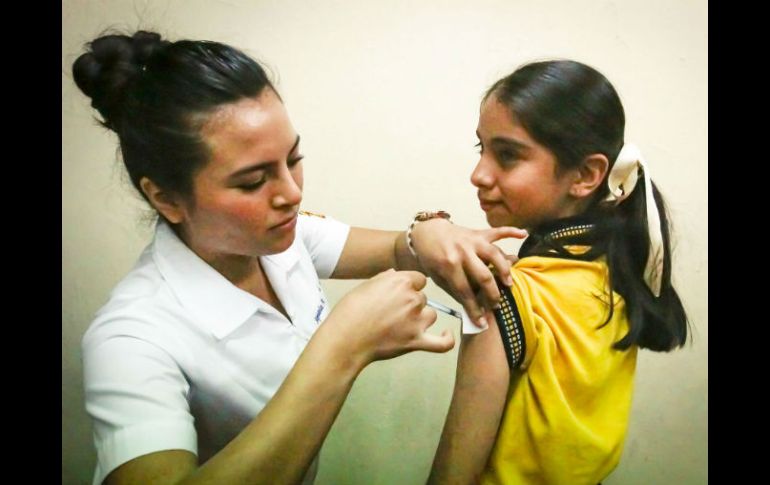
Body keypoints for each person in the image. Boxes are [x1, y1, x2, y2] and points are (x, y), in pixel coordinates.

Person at [71, 30, 528, 485]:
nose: (291, 193)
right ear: (167, 198)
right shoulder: (130, 339)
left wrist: (429, 231)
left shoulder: (284, 238)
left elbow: (398, 248)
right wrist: (344, 346)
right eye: (253, 182)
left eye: (293, 159)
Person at [428, 60, 690, 485]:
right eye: (482, 149)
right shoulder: (617, 269)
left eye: (507, 155)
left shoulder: (502, 296)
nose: (478, 174)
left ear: (585, 175)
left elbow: (453, 476)